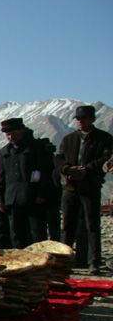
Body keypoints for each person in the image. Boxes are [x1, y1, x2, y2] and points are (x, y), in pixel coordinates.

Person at [55, 105, 113, 274]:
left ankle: (94, 262)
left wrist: (86, 169)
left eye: (83, 118)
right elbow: (59, 159)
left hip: (90, 187)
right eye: (78, 119)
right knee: (67, 226)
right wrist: (67, 169)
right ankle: (64, 262)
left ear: (92, 119)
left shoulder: (104, 138)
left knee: (92, 225)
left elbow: (106, 158)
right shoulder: (68, 139)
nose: (80, 122)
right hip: (70, 187)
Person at [0, 118, 50, 248]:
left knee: (36, 232)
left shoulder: (36, 147)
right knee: (16, 233)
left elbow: (45, 171)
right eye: (8, 134)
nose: (10, 137)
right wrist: (0, 198)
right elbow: (1, 177)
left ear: (21, 131)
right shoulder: (4, 151)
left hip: (33, 196)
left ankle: (40, 262)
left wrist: (41, 193)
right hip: (12, 199)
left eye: (13, 133)